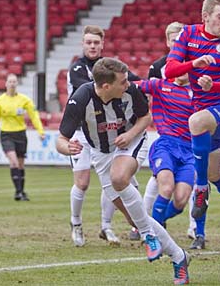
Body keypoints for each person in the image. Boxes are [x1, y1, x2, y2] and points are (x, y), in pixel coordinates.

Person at [56, 57, 190, 285]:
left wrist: (129, 135)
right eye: (123, 82)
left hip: (132, 141)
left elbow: (146, 117)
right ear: (106, 86)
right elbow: (61, 139)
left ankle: (149, 237)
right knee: (136, 218)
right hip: (101, 154)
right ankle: (179, 257)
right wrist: (67, 148)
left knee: (119, 178)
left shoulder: (131, 91)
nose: (128, 84)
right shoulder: (80, 99)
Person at [165, 0, 220, 222]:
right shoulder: (188, 34)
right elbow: (170, 70)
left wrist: (213, 85)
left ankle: (200, 188)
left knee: (196, 121)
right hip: (206, 114)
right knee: (214, 172)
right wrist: (194, 63)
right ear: (206, 16)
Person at [67, 25, 143, 247]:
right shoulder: (77, 68)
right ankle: (76, 224)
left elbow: (134, 81)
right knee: (82, 182)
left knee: (112, 180)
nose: (92, 46)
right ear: (83, 44)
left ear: (102, 44)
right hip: (82, 132)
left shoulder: (111, 67)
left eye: (96, 42)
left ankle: (106, 226)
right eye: (88, 42)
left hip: (106, 131)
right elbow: (93, 91)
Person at [141, 21, 198, 241]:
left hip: (190, 147)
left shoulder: (199, 82)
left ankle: (162, 221)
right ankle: (151, 231)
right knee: (163, 186)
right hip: (166, 141)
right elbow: (137, 88)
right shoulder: (158, 75)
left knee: (182, 197)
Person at [137, 73, 194, 229]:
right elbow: (128, 85)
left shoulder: (199, 91)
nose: (182, 70)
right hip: (166, 145)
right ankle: (153, 235)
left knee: (181, 200)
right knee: (166, 188)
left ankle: (157, 222)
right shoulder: (159, 85)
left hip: (189, 150)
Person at [0, 73, 45, 201]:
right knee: (14, 162)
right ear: (6, 84)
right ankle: (18, 192)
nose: (12, 84)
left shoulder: (24, 100)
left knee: (21, 165)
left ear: (17, 84)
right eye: (10, 81)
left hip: (20, 134)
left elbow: (34, 115)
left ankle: (21, 191)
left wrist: (40, 131)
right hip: (6, 134)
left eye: (14, 81)